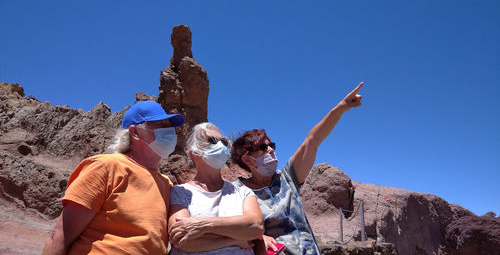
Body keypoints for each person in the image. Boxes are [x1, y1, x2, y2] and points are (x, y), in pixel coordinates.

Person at [231, 83, 364, 255]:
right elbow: (228, 227)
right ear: (247, 159)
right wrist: (258, 237)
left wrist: (340, 108)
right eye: (263, 148)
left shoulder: (287, 178)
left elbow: (312, 140)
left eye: (272, 145)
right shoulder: (236, 192)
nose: (271, 149)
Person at [42, 100, 185, 255]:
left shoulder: (166, 183)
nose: (169, 132)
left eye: (169, 126)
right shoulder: (106, 167)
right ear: (135, 133)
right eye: (160, 125)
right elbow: (60, 237)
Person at [168, 122, 264, 255]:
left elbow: (256, 227)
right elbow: (182, 240)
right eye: (212, 141)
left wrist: (203, 226)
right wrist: (236, 240)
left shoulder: (242, 192)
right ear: (194, 153)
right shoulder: (180, 192)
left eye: (223, 142)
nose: (220, 146)